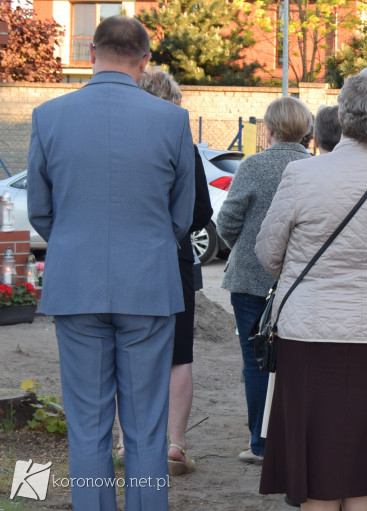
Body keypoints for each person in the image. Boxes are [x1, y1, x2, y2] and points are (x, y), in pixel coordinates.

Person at [26, 15, 195, 511]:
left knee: (87, 426)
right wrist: (144, 247)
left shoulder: (48, 116)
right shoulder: (171, 120)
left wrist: (76, 245)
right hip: (147, 284)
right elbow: (182, 214)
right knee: (146, 429)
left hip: (76, 284)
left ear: (91, 55)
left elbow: (40, 209)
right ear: (145, 61)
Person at [255, 65, 367, 510]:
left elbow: (269, 253)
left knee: (316, 450)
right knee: (365, 448)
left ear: (343, 116)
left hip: (308, 329)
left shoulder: (302, 176)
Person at [217, 96, 313, 464]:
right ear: (305, 130)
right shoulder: (315, 168)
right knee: (297, 360)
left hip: (250, 281)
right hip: (299, 281)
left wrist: (242, 249)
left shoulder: (253, 166)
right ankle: (294, 441)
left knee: (255, 359)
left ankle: (260, 443)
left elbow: (227, 221)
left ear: (268, 129)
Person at [136, 66, 213, 477]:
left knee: (128, 352)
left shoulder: (123, 139)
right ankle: (175, 445)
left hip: (129, 259)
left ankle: (125, 441)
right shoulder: (181, 140)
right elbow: (201, 209)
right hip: (176, 257)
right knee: (179, 356)